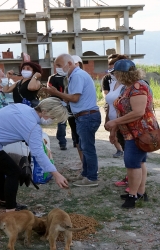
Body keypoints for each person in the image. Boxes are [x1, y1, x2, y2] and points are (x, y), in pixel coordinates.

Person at [0, 97, 70, 211]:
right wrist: (56, 174)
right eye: (53, 118)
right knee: (13, 172)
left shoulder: (21, 107)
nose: (52, 121)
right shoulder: (32, 127)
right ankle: (11, 209)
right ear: (44, 112)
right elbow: (38, 153)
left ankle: (5, 202)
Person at [105, 59, 159, 208]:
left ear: (122, 74)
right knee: (139, 162)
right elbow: (122, 110)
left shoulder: (138, 87)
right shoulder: (127, 87)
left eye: (116, 73)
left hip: (139, 132)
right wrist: (114, 131)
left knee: (132, 163)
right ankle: (140, 192)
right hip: (130, 132)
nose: (115, 76)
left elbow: (138, 112)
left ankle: (133, 195)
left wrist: (115, 123)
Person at [47, 54, 101, 187]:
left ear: (70, 63)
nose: (57, 69)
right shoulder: (73, 76)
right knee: (83, 146)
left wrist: (56, 93)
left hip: (87, 116)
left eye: (59, 65)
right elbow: (70, 98)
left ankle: (92, 178)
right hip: (84, 116)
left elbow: (75, 98)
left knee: (87, 148)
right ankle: (85, 174)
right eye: (56, 66)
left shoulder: (77, 76)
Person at [104, 54, 128, 158]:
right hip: (115, 124)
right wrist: (107, 120)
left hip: (126, 126)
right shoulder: (113, 84)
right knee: (129, 161)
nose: (111, 73)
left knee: (134, 160)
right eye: (110, 71)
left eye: (113, 71)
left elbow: (124, 110)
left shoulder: (128, 86)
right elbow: (110, 104)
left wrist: (114, 126)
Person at [47, 71, 69, 150]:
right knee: (62, 123)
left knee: (66, 123)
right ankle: (63, 142)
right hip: (60, 103)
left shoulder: (71, 76)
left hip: (71, 102)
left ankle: (72, 141)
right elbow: (49, 90)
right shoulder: (53, 78)